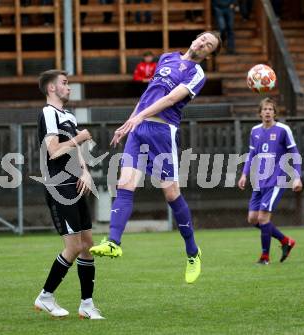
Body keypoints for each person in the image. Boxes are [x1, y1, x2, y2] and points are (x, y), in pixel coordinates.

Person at [89, 31, 222, 284]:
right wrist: (130, 121)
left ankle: (193, 252)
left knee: (171, 194)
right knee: (124, 184)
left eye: (209, 45)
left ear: (209, 55)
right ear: (194, 38)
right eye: (203, 39)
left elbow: (171, 98)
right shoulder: (167, 57)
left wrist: (139, 117)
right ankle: (114, 242)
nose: (203, 44)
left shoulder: (197, 74)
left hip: (162, 131)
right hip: (139, 130)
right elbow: (148, 95)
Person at [34, 69, 104, 320]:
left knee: (87, 245)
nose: (68, 87)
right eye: (64, 83)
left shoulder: (69, 116)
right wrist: (80, 137)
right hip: (58, 185)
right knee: (73, 246)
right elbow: (53, 151)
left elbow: (75, 154)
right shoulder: (48, 112)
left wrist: (85, 173)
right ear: (51, 88)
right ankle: (45, 296)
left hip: (75, 182)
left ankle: (87, 304)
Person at [237, 98, 302, 265]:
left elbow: (294, 154)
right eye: (264, 109)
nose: (267, 112)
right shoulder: (255, 131)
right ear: (260, 112)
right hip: (259, 181)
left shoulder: (283, 130)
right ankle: (286, 241)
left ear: (275, 112)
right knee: (253, 219)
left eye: (270, 109)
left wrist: (296, 177)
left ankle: (265, 257)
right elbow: (251, 155)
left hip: (276, 180)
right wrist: (244, 175)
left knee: (263, 218)